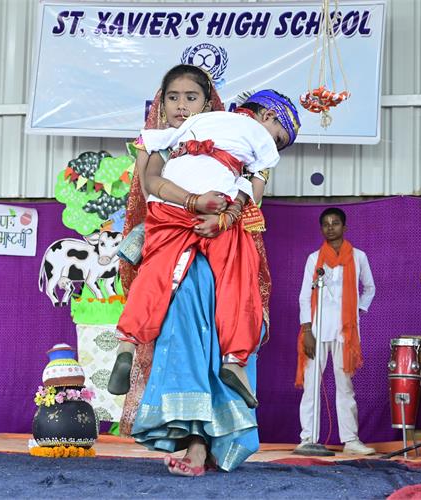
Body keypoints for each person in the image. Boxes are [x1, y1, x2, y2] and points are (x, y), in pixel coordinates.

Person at [114, 65, 286, 476]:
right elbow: (151, 186)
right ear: (161, 103)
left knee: (215, 335)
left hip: (218, 247)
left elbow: (250, 198)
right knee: (182, 340)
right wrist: (193, 203)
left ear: (207, 103)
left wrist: (223, 218)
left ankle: (203, 442)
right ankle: (192, 441)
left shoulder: (238, 143)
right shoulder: (161, 143)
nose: (180, 106)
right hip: (174, 245)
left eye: (190, 98)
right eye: (172, 98)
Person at [294, 207, 377, 455]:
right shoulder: (314, 259)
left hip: (345, 333)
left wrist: (355, 312)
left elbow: (370, 288)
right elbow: (304, 296)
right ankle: (307, 438)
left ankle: (351, 441)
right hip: (317, 331)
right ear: (321, 229)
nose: (331, 227)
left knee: (345, 387)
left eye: (335, 223)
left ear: (345, 227)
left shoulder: (359, 257)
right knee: (311, 386)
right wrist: (307, 330)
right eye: (326, 224)